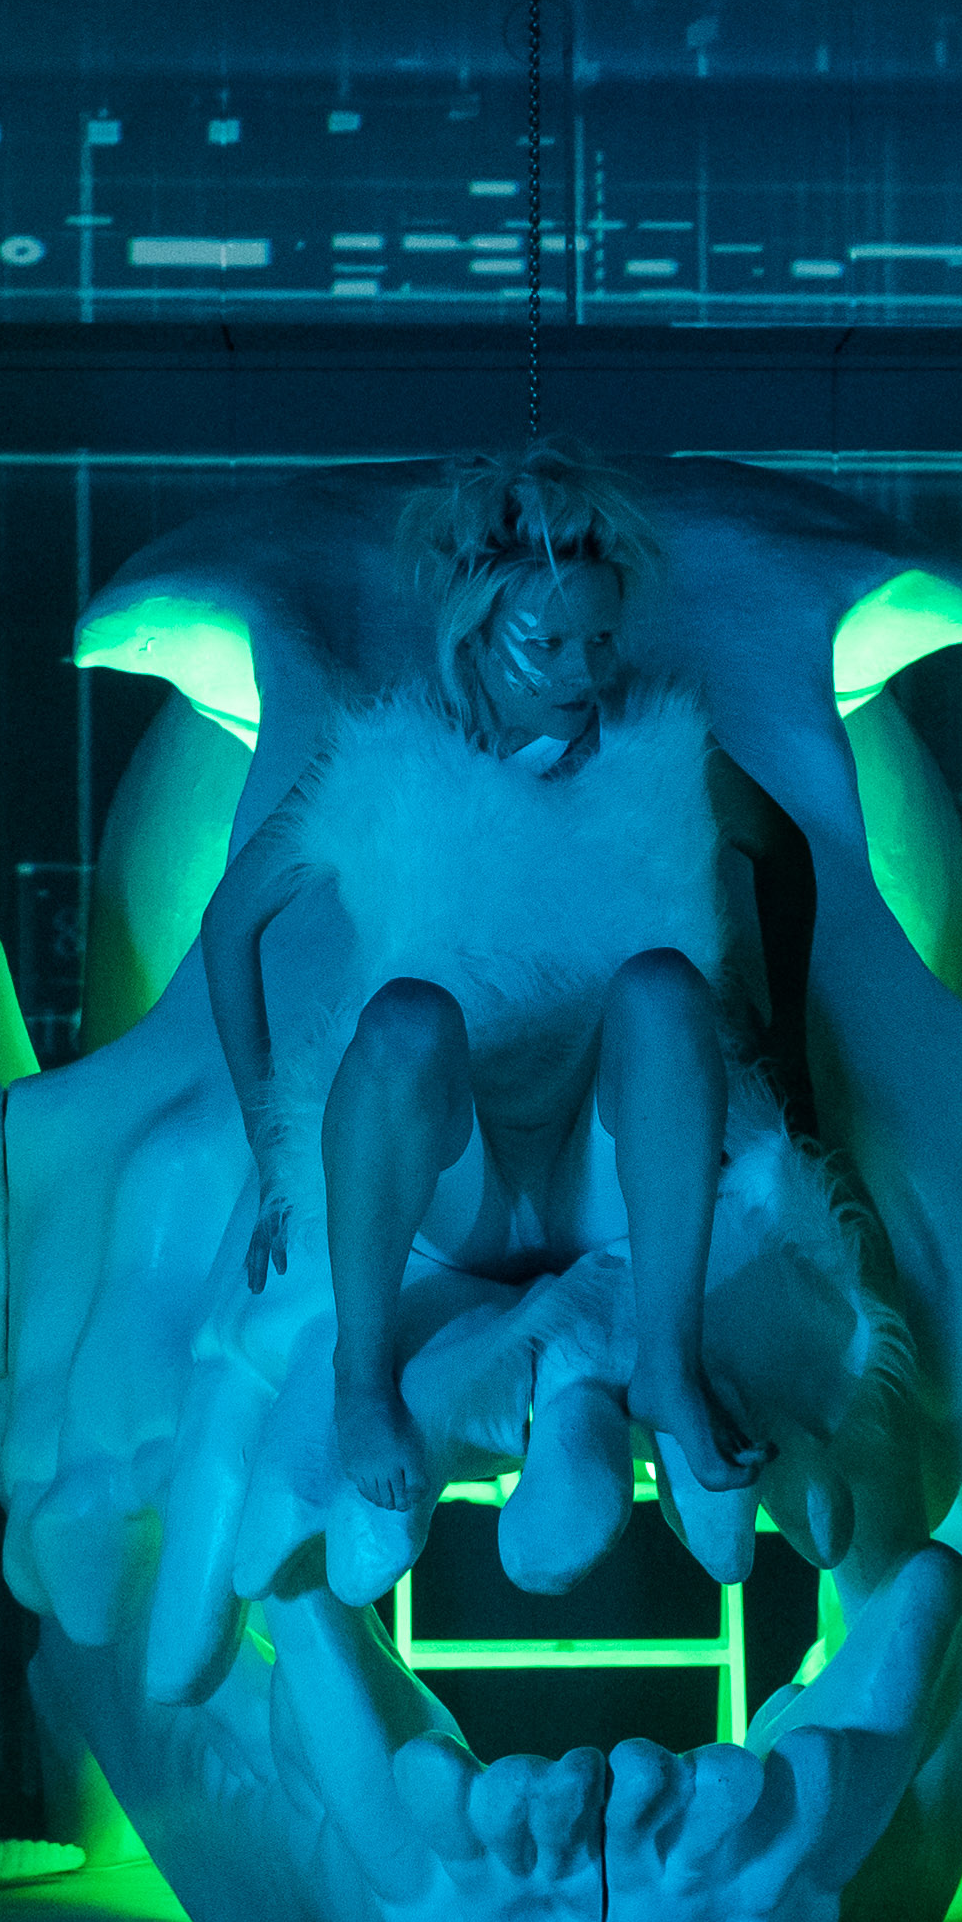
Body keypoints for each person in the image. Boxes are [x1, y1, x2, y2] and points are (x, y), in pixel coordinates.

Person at [200, 446, 819, 1519]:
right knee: (404, 1017)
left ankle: (668, 1365)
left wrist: (789, 1050)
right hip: (454, 1182)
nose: (587, 671)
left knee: (666, 987)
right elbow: (229, 928)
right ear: (476, 635)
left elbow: (785, 855)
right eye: (550, 644)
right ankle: (361, 1379)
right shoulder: (386, 766)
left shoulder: (658, 752)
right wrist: (270, 1145)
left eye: (603, 639)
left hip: (609, 1172)